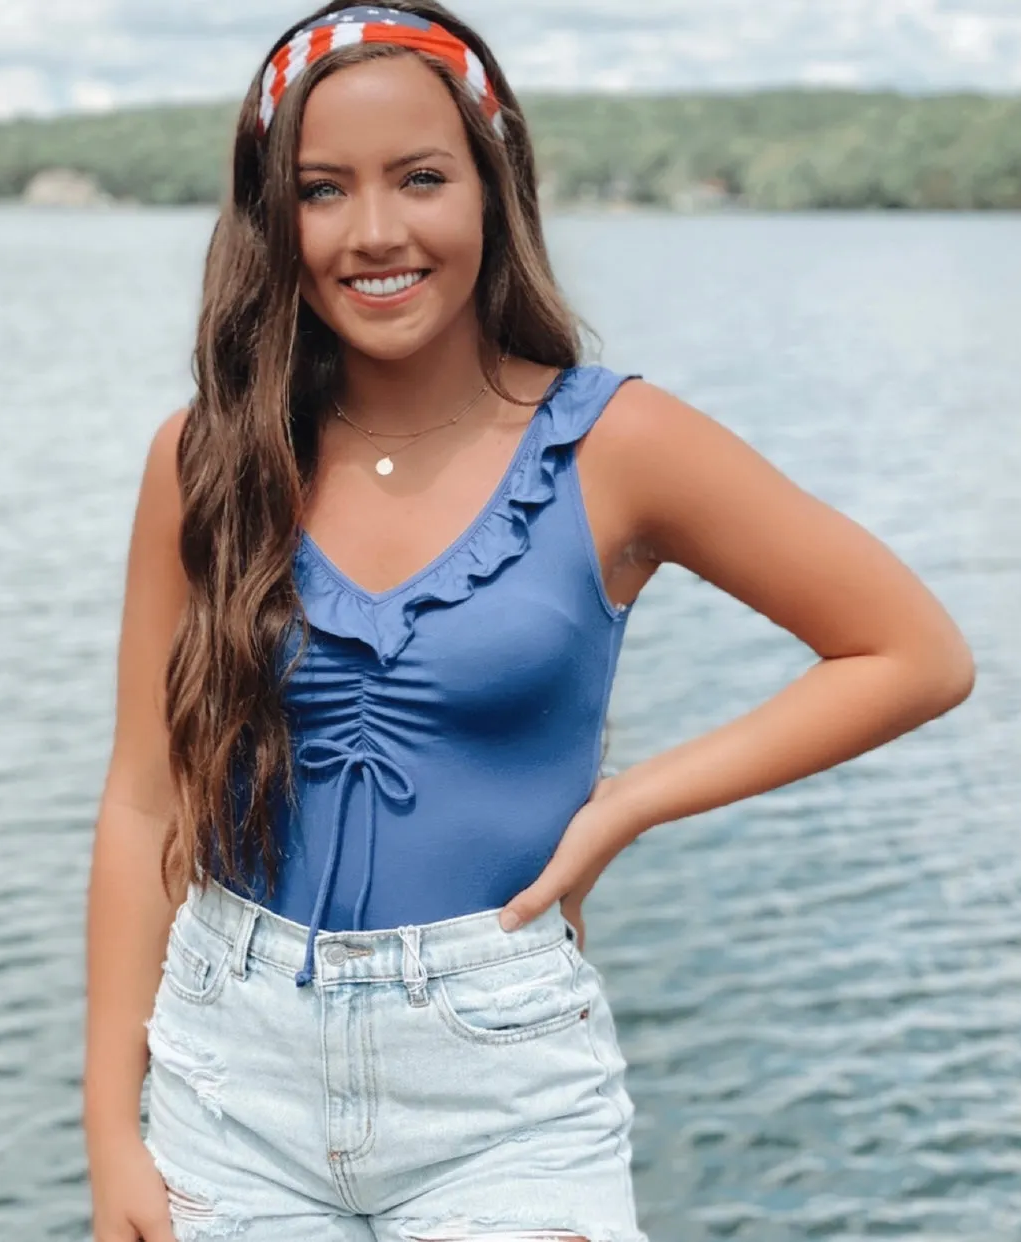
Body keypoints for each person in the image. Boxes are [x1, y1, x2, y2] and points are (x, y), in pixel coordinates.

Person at [82, 3, 976, 1240]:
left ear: (495, 190)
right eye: (323, 190)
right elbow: (143, 799)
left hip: (498, 1093)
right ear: (269, 220)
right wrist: (110, 1133)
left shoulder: (618, 445)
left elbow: (913, 653)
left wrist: (626, 804)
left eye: (422, 178)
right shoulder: (204, 461)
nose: (377, 231)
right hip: (223, 1082)